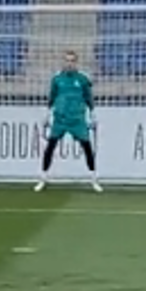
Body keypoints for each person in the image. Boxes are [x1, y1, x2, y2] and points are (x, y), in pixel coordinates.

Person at [36, 51, 102, 193]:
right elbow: (52, 97)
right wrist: (47, 114)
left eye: (72, 61)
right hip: (60, 119)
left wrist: (93, 114)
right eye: (67, 60)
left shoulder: (83, 79)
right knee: (50, 147)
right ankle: (43, 178)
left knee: (87, 148)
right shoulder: (57, 79)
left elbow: (89, 98)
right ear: (63, 62)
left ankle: (94, 179)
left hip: (77, 119)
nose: (69, 63)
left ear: (76, 63)